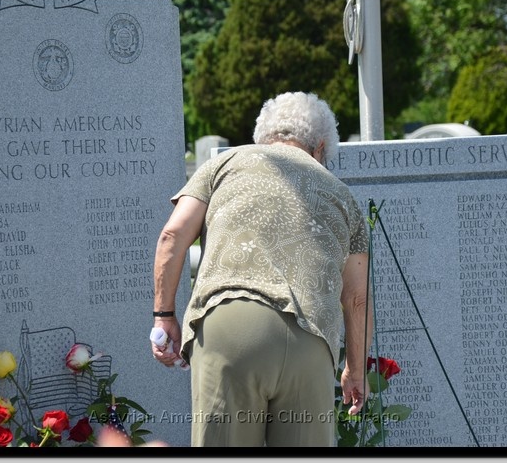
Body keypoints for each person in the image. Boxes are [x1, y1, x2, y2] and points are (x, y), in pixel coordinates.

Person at [151, 91, 373, 447]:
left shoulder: (223, 165)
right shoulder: (343, 196)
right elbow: (357, 299)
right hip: (310, 340)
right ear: (320, 147)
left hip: (229, 325)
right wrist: (356, 370)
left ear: (265, 135)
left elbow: (172, 236)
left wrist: (164, 317)